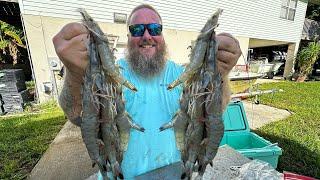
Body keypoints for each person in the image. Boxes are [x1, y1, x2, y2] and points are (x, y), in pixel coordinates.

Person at [53, 4, 241, 179]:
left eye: (154, 29)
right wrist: (75, 74)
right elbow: (75, 115)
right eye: (136, 30)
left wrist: (222, 74)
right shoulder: (109, 75)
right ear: (128, 37)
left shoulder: (183, 74)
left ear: (162, 35)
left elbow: (217, 110)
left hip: (173, 173)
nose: (146, 36)